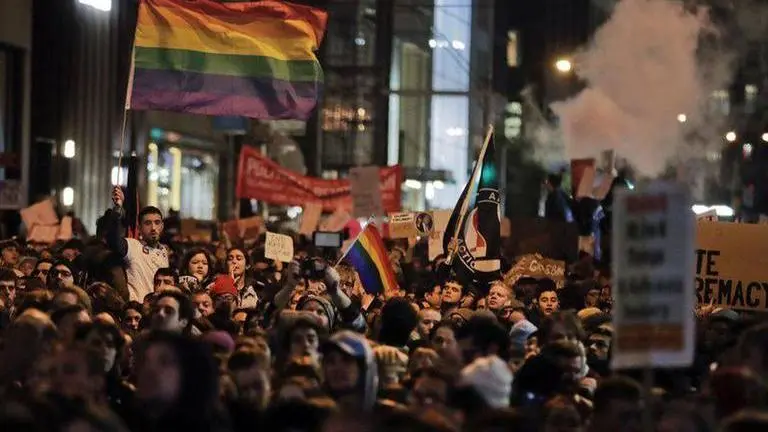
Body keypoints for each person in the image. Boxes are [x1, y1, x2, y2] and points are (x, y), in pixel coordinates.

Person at [107, 186, 169, 302]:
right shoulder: (133, 246)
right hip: (138, 310)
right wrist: (118, 208)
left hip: (160, 308)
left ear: (162, 226)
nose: (153, 228)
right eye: (147, 223)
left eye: (157, 223)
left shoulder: (164, 251)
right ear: (139, 228)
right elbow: (113, 241)